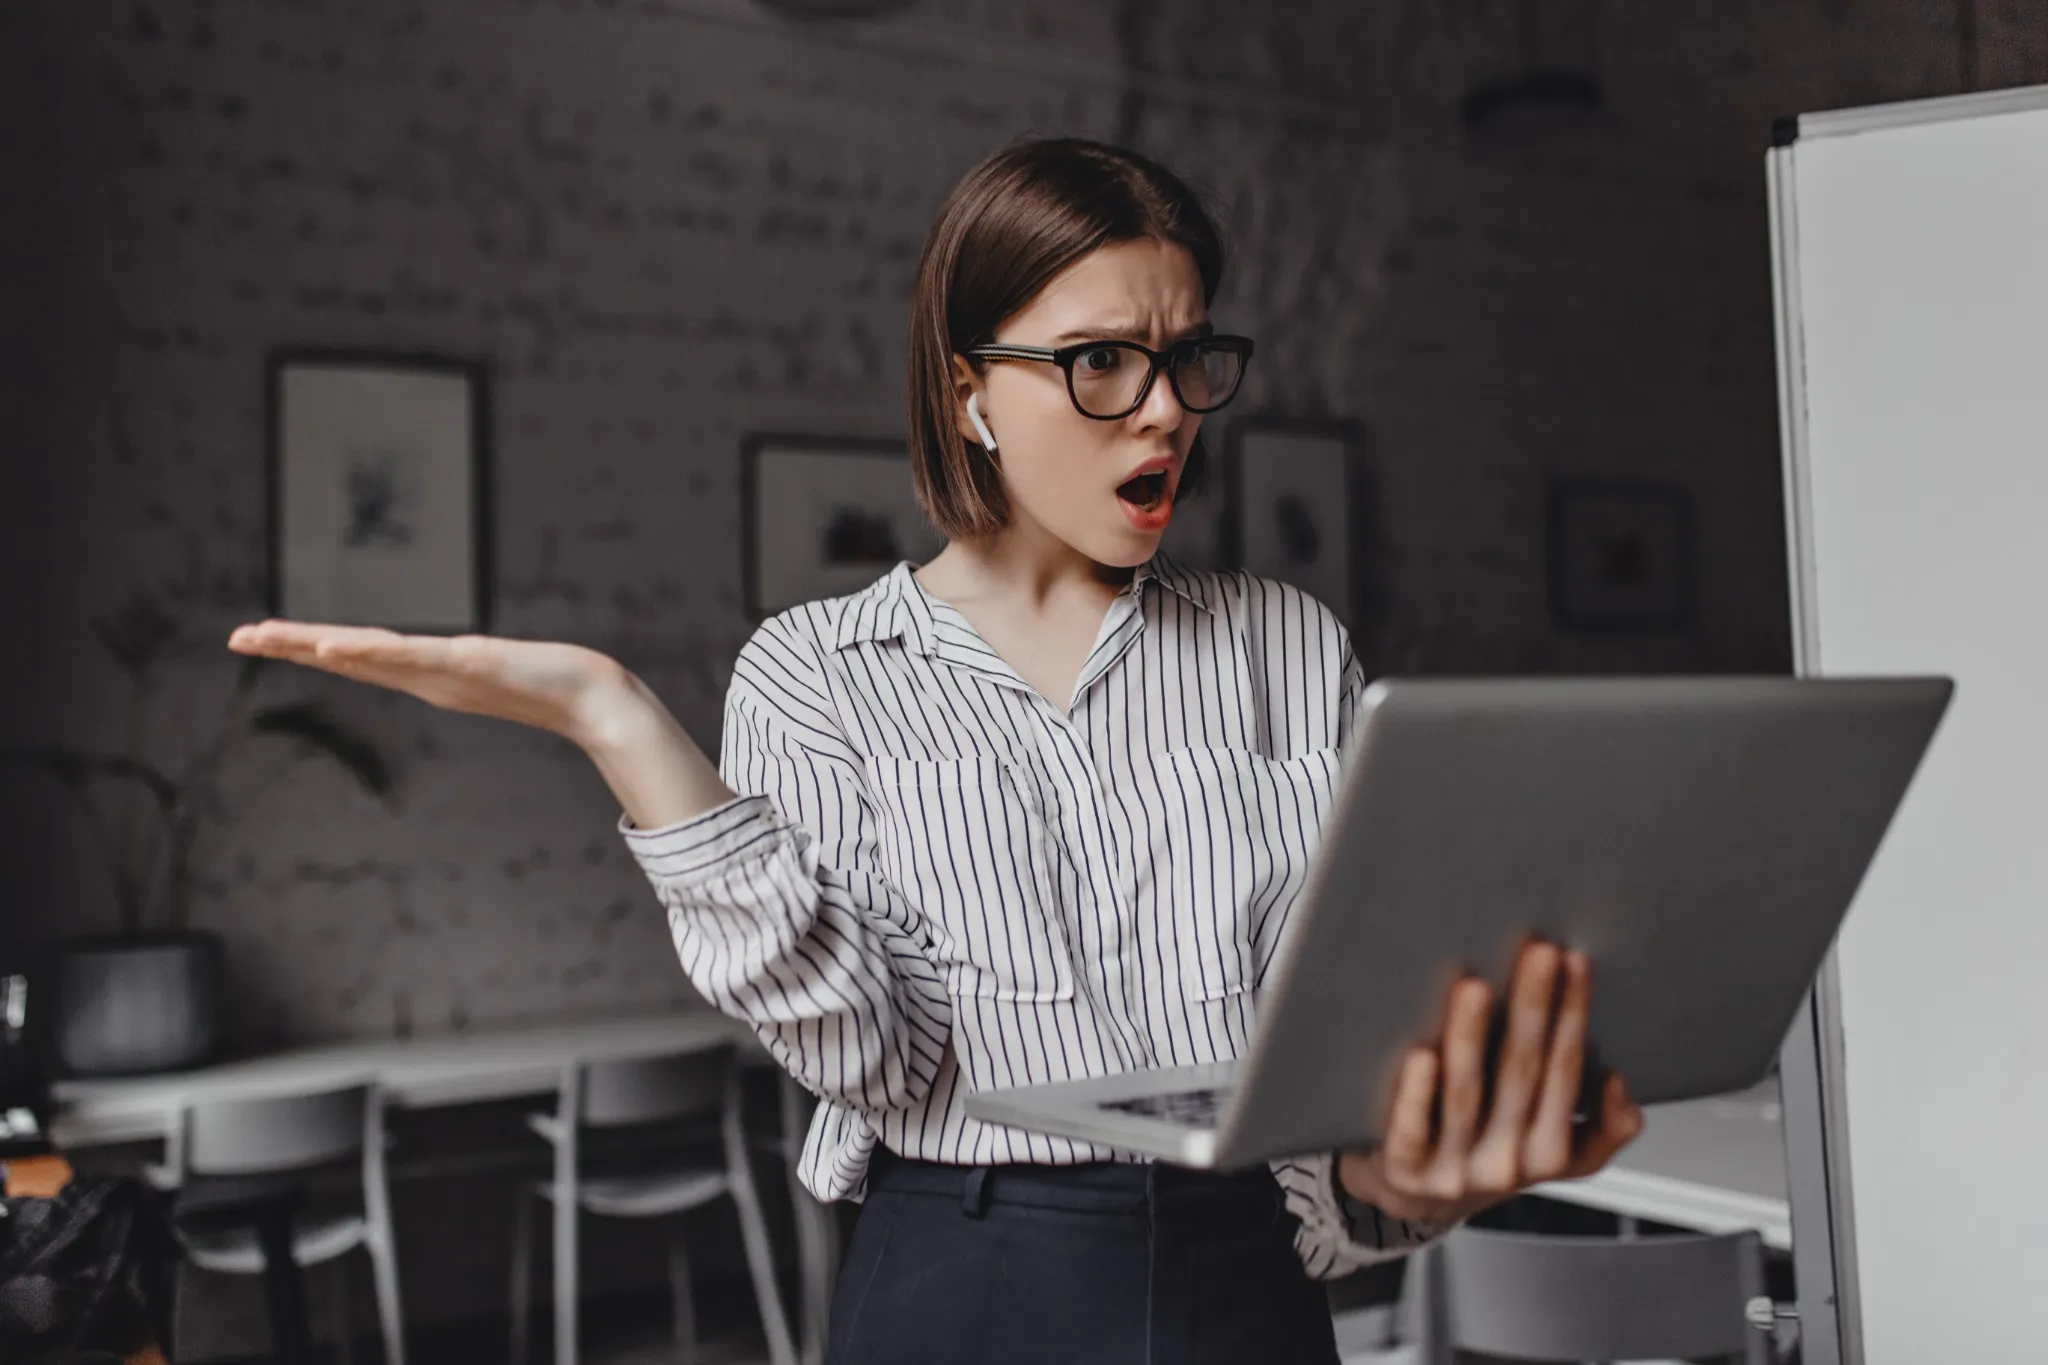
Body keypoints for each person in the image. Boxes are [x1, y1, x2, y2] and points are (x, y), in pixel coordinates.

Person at [229, 137, 1643, 1364]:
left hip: (1244, 1274)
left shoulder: (1289, 647)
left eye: (1184, 356)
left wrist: (1411, 1171)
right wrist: (615, 718)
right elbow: (861, 1047)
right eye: (1101, 362)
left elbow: (1329, 1057)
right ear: (968, 390)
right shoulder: (817, 672)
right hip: (961, 1276)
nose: (1162, 408)